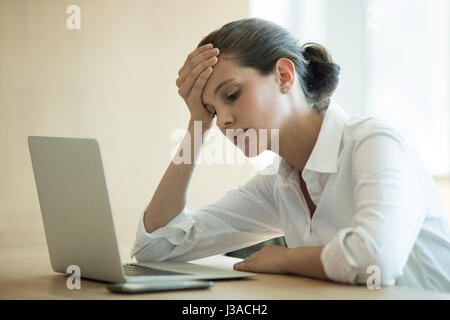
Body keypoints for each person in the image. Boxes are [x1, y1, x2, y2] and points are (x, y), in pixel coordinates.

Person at [130, 18, 450, 292]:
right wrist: (197, 125)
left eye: (232, 95)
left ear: (284, 75)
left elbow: (376, 258)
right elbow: (156, 247)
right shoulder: (279, 183)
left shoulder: (374, 143)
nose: (223, 120)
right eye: (213, 110)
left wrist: (285, 259)